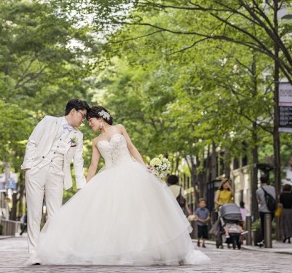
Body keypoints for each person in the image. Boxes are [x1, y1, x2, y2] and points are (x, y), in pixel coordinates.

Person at [35, 105, 210, 266]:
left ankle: (151, 250)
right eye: (87, 120)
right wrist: (86, 186)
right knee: (113, 215)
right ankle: (117, 251)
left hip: (131, 172)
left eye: (91, 120)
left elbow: (132, 148)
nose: (89, 124)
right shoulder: (96, 141)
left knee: (140, 212)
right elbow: (93, 165)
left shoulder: (119, 128)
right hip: (108, 176)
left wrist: (143, 165)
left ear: (100, 118)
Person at [22, 99, 90, 263]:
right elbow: (32, 141)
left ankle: (51, 251)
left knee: (55, 215)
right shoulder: (48, 121)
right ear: (73, 111)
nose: (84, 121)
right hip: (36, 170)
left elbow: (78, 161)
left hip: (58, 175)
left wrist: (82, 186)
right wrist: (28, 167)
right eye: (83, 116)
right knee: (35, 213)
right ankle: (33, 253)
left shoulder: (78, 136)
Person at [255, 176, 276, 246]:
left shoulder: (258, 191)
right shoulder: (273, 189)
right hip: (272, 210)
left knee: (263, 226)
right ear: (268, 181)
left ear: (260, 181)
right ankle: (268, 240)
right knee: (269, 225)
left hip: (263, 211)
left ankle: (265, 240)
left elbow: (259, 202)